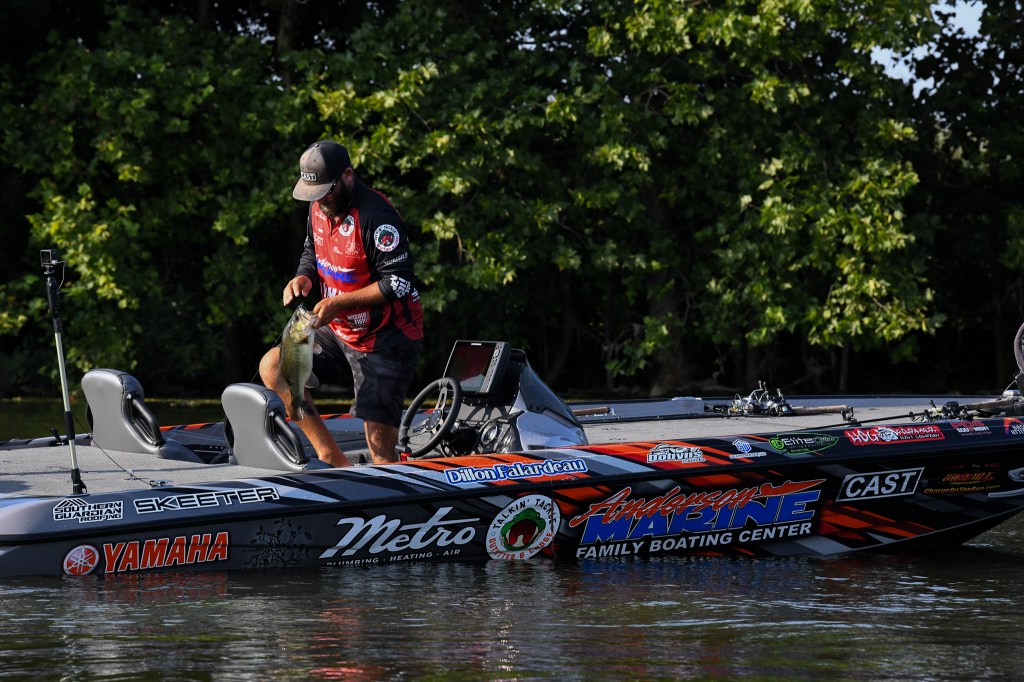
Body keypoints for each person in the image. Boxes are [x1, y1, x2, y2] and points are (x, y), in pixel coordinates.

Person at [260, 140, 424, 466]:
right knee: (273, 366)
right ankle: (331, 458)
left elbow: (399, 282)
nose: (319, 200)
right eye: (313, 193)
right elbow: (312, 249)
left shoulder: (378, 217)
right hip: (339, 329)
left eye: (325, 191)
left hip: (387, 336)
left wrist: (340, 303)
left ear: (347, 176)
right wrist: (304, 276)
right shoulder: (318, 206)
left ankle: (393, 488)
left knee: (379, 444)